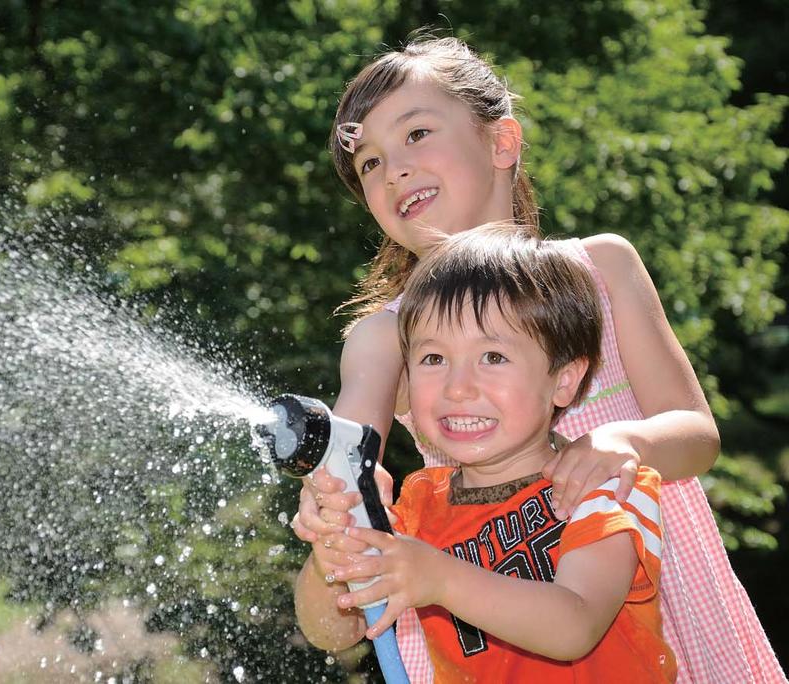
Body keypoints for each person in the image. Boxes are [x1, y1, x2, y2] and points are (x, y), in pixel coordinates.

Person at [291, 34, 784, 683]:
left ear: (501, 142)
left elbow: (696, 436)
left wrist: (624, 442)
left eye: (415, 135)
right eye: (371, 165)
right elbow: (354, 459)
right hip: (495, 629)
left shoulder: (603, 267)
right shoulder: (387, 337)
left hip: (665, 609)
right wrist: (336, 504)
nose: (394, 170)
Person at [296, 226, 676, 681]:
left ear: (564, 380)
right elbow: (332, 631)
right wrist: (331, 550)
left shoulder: (599, 484)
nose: (458, 388)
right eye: (433, 359)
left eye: (493, 357)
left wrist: (439, 577)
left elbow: (574, 624)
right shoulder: (417, 508)